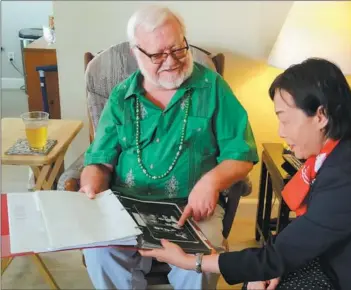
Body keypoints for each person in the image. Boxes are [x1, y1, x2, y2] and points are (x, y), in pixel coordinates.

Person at [140, 58, 351, 290]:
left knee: (261, 274)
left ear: (321, 116)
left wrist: (191, 261)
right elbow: (301, 235)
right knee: (260, 278)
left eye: (285, 119)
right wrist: (274, 262)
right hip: (341, 259)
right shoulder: (345, 151)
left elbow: (275, 255)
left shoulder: (348, 180)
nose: (281, 132)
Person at [79, 5, 258, 290]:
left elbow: (242, 154)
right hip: (126, 208)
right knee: (100, 252)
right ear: (136, 53)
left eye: (178, 49)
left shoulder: (212, 87)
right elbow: (99, 161)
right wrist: (90, 189)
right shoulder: (121, 97)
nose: (172, 61)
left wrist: (210, 182)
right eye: (159, 54)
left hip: (192, 209)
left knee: (199, 263)